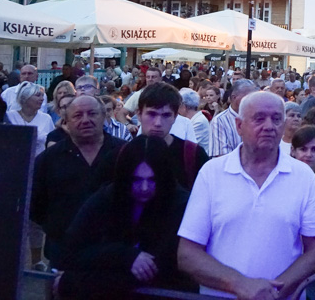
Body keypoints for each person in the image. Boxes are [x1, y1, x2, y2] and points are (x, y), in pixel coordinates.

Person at [177, 91, 315, 298]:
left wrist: (273, 292)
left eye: (277, 119)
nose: (269, 126)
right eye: (259, 118)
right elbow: (188, 254)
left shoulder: (303, 176)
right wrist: (240, 285)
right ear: (239, 126)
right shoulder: (212, 173)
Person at [55, 136, 194, 299]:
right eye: (136, 180)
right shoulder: (108, 198)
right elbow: (70, 252)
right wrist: (124, 256)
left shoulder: (179, 206)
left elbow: (158, 270)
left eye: (152, 180)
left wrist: (73, 283)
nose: (144, 188)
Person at [31, 95, 128, 268]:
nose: (86, 120)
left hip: (115, 250)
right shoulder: (49, 159)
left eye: (92, 114)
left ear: (104, 116)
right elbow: (36, 204)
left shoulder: (124, 154)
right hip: (64, 251)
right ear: (66, 121)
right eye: (77, 115)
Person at [208, 79, 258, 157]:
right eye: (248, 97)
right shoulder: (220, 121)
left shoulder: (259, 119)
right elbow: (222, 157)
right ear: (234, 97)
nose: (252, 101)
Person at [6, 81, 55, 156]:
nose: (42, 99)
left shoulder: (46, 119)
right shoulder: (10, 116)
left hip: (39, 163)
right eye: (38, 95)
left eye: (42, 96)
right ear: (25, 98)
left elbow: (52, 141)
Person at [180, 88, 210, 153]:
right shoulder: (191, 120)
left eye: (179, 106)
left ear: (184, 107)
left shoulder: (199, 122)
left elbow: (188, 144)